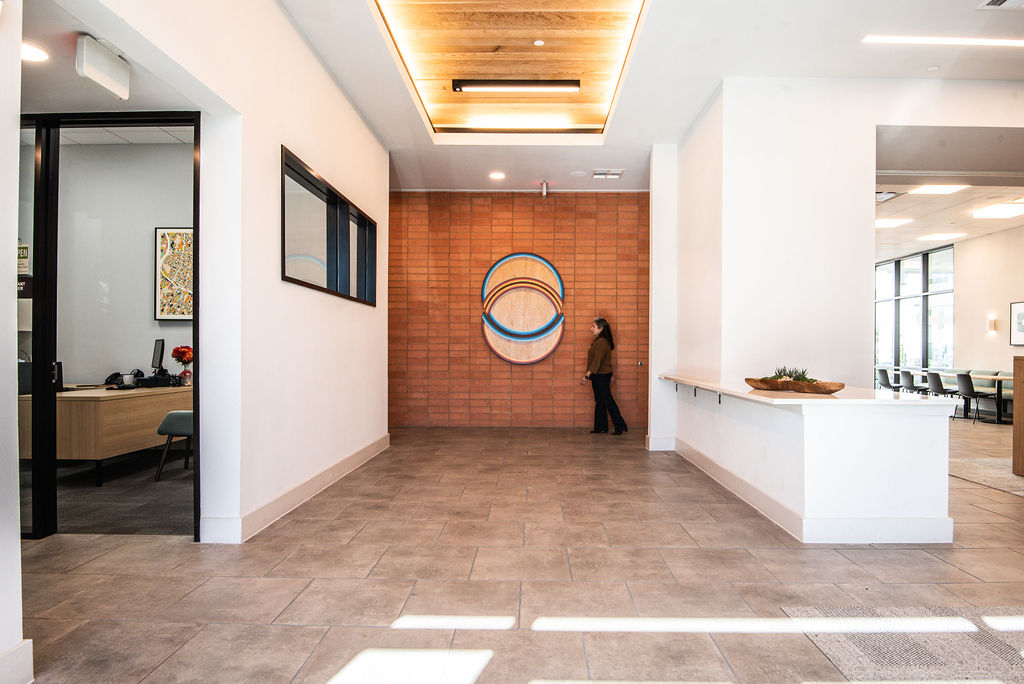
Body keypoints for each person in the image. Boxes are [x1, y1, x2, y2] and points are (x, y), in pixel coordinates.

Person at [580, 316, 628, 435]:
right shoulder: (599, 341)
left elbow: (597, 360)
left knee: (607, 401)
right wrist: (610, 375)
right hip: (600, 376)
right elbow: (606, 360)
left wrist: (586, 376)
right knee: (600, 401)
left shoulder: (602, 342)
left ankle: (620, 425)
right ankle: (601, 427)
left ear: (601, 328)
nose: (591, 329)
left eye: (593, 327)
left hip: (601, 376)